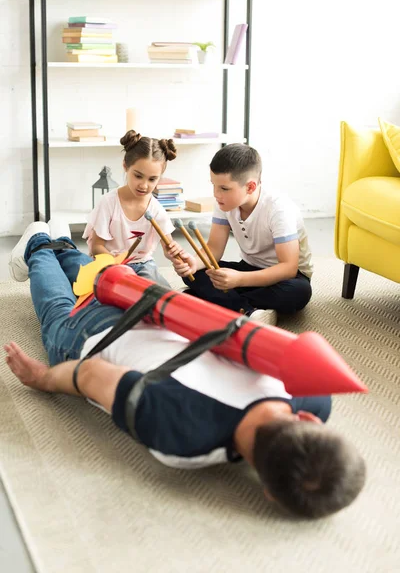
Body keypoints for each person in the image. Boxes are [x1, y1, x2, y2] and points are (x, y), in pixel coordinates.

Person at [5, 222, 366, 519]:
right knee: (56, 308)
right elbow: (89, 375)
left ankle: (59, 243)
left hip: (164, 307)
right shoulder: (182, 439)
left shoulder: (314, 391)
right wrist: (43, 380)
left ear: (309, 421)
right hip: (95, 333)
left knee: (101, 278)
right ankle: (39, 245)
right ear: (269, 492)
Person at [169, 143, 314, 326]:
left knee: (299, 292)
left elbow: (288, 268)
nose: (216, 194)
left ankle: (215, 300)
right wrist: (193, 263)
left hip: (287, 276)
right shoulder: (223, 203)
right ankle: (247, 310)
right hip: (250, 267)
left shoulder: (278, 208)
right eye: (214, 185)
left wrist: (238, 280)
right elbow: (213, 248)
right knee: (196, 272)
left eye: (224, 188)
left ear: (250, 187)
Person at [83, 130, 182, 287]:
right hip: (110, 262)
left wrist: (174, 252)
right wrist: (117, 265)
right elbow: (96, 247)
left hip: (142, 263)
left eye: (152, 179)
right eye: (138, 176)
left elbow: (167, 246)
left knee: (159, 292)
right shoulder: (108, 202)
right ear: (125, 166)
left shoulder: (155, 209)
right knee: (104, 293)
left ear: (160, 176)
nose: (144, 185)